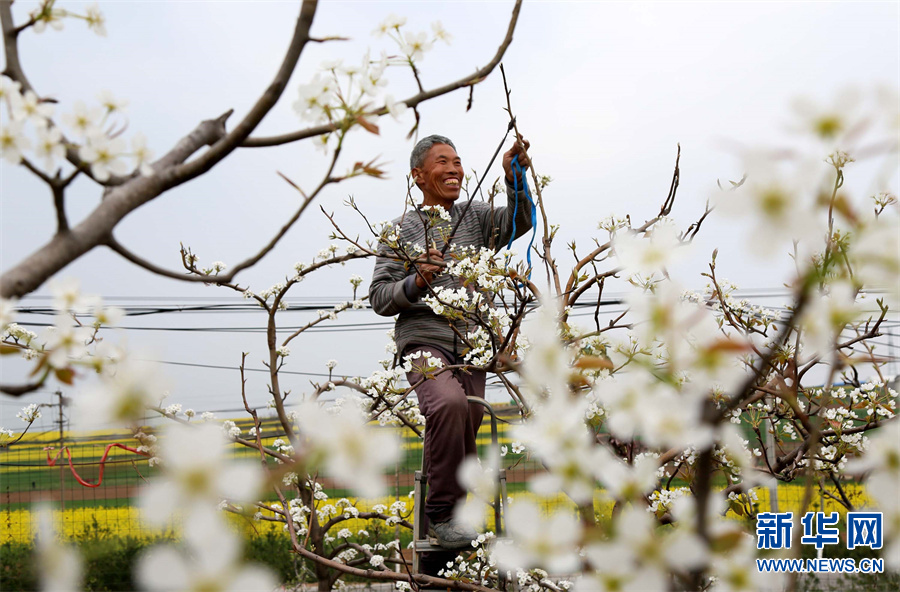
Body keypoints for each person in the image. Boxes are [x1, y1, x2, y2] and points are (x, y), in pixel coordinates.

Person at [369, 134, 533, 551]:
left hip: (472, 344)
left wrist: (515, 180)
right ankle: (441, 513)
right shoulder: (400, 231)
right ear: (418, 176)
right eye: (442, 162)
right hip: (424, 340)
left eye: (458, 161)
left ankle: (461, 513)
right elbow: (379, 298)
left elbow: (520, 223)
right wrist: (417, 279)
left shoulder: (475, 216)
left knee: (467, 422)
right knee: (447, 404)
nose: (454, 169)